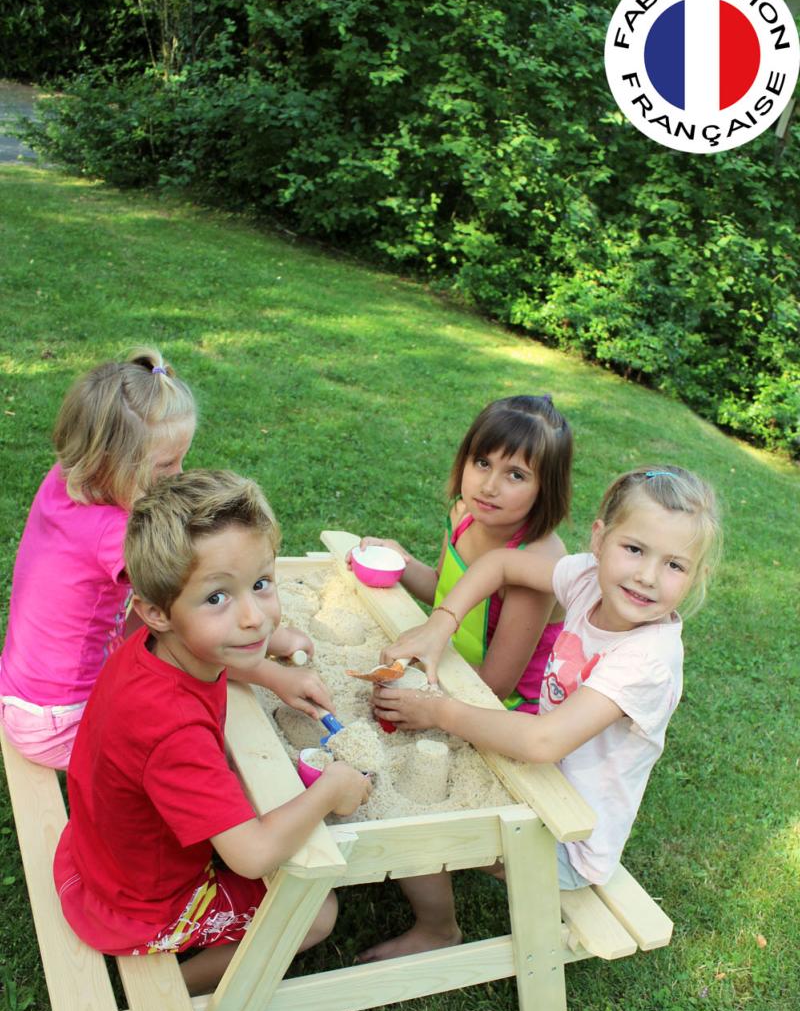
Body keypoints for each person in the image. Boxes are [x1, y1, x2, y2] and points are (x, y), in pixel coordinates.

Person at [365, 465, 721, 960]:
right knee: (415, 762)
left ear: (696, 578)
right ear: (599, 539)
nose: (646, 576)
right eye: (634, 549)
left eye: (675, 566)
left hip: (569, 838)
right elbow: (500, 566)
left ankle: (437, 930)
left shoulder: (648, 660)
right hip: (533, 782)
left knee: (413, 808)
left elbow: (542, 742)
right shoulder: (587, 581)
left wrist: (440, 711)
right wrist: (442, 623)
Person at [53, 470, 371, 994]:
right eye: (218, 598)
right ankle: (173, 990)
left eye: (261, 584)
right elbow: (248, 854)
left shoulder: (151, 646)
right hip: (140, 903)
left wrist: (271, 673)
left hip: (102, 854)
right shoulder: (173, 728)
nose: (253, 618)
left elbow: (211, 656)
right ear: (156, 611)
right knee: (315, 913)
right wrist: (332, 789)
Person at [0, 349, 327, 770]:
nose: (177, 474)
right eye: (166, 464)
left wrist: (273, 639)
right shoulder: (116, 535)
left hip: (26, 692)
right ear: (107, 461)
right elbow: (193, 626)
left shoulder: (68, 478)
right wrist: (272, 672)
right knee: (181, 662)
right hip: (64, 722)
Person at [356, 395, 572, 713]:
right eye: (482, 463)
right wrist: (401, 562)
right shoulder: (463, 514)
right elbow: (442, 590)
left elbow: (496, 686)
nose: (488, 486)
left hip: (506, 708)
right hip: (448, 664)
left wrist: (415, 675)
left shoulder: (537, 563)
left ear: (547, 488)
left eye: (515, 475)